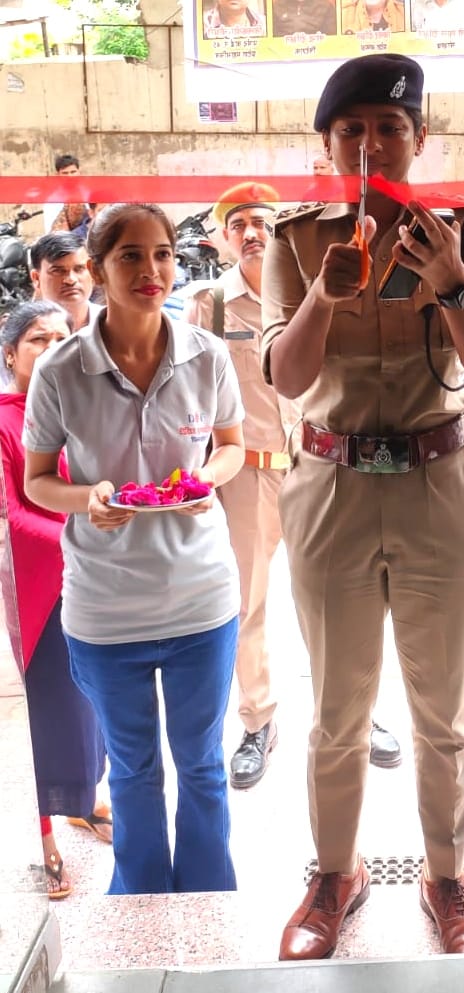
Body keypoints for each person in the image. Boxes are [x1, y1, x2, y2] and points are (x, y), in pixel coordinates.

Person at [261, 53, 464, 959]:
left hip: (438, 485)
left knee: (442, 707)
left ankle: (448, 879)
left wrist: (450, 279)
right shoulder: (293, 242)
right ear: (327, 144)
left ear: (418, 140)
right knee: (336, 703)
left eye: (390, 128)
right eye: (353, 130)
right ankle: (336, 871)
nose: (371, 144)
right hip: (327, 484)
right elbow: (287, 377)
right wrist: (324, 298)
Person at [23, 202, 246, 895]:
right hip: (105, 609)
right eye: (129, 256)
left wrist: (207, 476)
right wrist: (87, 497)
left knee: (202, 763)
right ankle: (144, 903)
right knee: (134, 767)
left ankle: (210, 899)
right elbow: (36, 481)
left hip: (200, 600)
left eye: (163, 254)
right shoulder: (62, 370)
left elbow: (233, 446)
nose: (151, 270)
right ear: (96, 269)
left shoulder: (205, 355)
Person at [184, 183, 295, 790]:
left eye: (263, 221)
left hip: (315, 469)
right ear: (224, 238)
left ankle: (357, 716)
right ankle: (258, 721)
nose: (253, 232)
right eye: (240, 224)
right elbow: (190, 397)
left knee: (336, 601)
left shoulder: (305, 295)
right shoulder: (209, 306)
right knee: (247, 603)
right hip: (246, 475)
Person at [0, 300, 110, 900]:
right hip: (39, 582)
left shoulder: (82, 410)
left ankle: (84, 801)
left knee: (91, 698)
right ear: (11, 352)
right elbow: (9, 515)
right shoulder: (3, 419)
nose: (52, 348)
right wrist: (80, 534)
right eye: (38, 339)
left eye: (63, 336)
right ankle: (45, 839)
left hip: (91, 577)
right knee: (49, 714)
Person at [30, 232, 100, 332]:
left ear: (92, 272)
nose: (71, 280)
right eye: (58, 271)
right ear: (36, 278)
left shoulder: (115, 324)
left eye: (79, 269)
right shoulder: (21, 332)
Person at [43, 154, 85, 235]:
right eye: (65, 173)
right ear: (58, 175)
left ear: (79, 172)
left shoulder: (90, 195)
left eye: (73, 172)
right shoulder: (51, 202)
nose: (70, 176)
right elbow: (52, 233)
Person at [272, 0, 337, 36]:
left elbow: (332, 38)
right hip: (282, 53)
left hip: (316, 52)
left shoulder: (326, 7)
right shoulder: (276, 6)